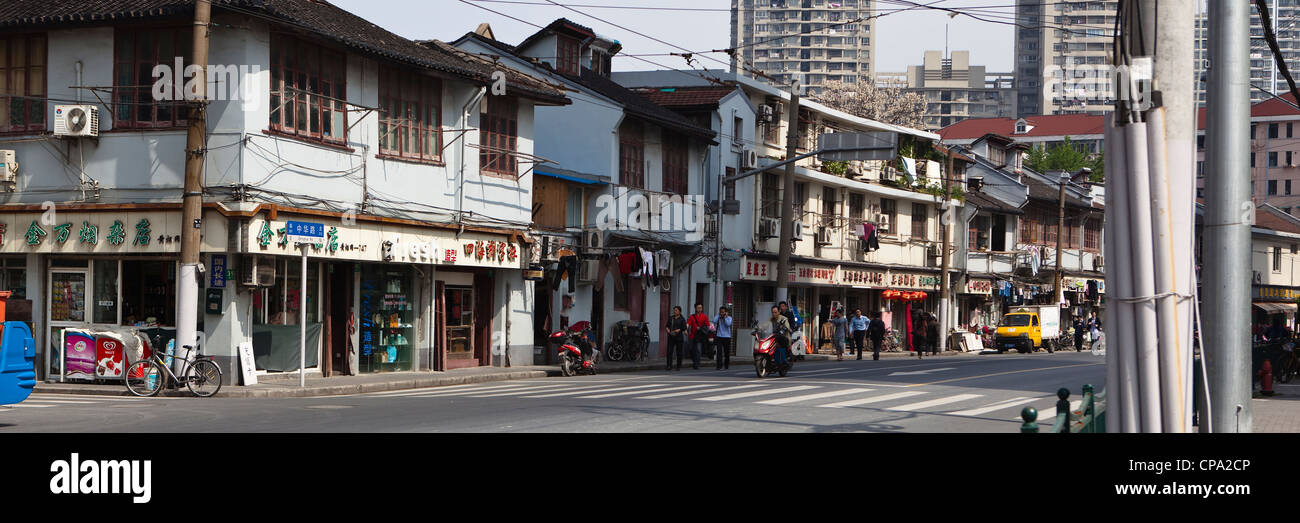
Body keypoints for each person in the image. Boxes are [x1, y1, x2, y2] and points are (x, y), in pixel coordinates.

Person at [686, 303, 710, 370]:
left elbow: (707, 326)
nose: (699, 309)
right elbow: (688, 324)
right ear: (695, 308)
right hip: (692, 336)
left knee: (698, 350)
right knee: (691, 350)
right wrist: (685, 329)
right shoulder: (692, 316)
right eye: (698, 308)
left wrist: (701, 328)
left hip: (700, 336)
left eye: (701, 308)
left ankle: (697, 364)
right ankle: (694, 361)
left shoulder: (704, 316)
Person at [665, 306, 687, 371]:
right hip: (671, 336)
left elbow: (684, 328)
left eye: (676, 310)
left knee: (679, 352)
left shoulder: (682, 319)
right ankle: (669, 365)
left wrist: (679, 330)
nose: (675, 311)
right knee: (669, 351)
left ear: (680, 311)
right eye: (674, 310)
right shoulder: (671, 318)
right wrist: (668, 330)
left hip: (679, 337)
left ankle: (678, 366)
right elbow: (667, 326)